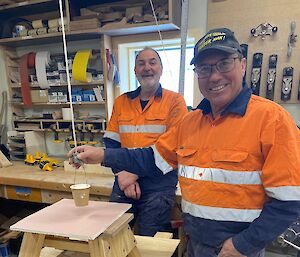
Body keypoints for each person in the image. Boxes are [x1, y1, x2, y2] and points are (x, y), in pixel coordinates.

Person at [69, 28, 300, 257]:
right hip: (195, 242)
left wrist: (244, 245)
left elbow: (289, 201)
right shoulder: (190, 123)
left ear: (241, 65)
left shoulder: (272, 119)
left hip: (235, 249)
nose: (214, 76)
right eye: (204, 68)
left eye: (224, 64)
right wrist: (102, 155)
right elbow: (151, 159)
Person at [102, 47, 188, 236]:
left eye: (152, 62)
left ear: (161, 68)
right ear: (135, 71)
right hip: (123, 179)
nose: (147, 67)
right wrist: (123, 174)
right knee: (112, 236)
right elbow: (112, 143)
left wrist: (133, 173)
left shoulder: (175, 102)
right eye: (141, 63)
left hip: (159, 184)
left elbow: (172, 148)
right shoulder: (121, 102)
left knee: (151, 241)